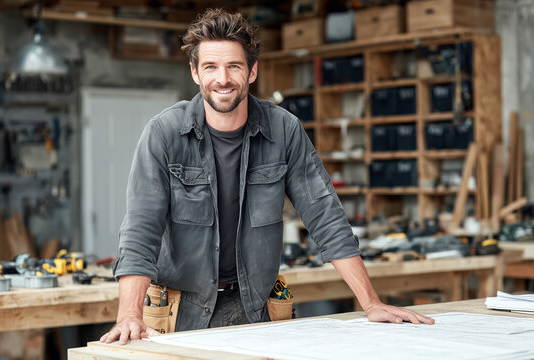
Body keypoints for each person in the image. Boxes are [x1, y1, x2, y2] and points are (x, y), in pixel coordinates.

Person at [100, 8, 434, 345]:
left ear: (253, 70)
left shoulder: (283, 130)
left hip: (256, 309)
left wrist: (371, 303)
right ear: (195, 73)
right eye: (211, 67)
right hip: (179, 310)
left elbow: (325, 217)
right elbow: (141, 228)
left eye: (234, 66)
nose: (223, 78)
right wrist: (129, 314)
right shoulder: (164, 134)